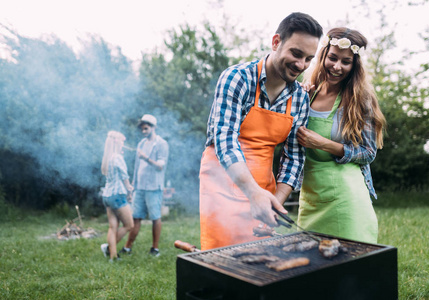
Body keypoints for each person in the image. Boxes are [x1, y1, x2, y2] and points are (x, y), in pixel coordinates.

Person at [199, 12, 323, 250]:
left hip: (265, 186)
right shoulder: (238, 78)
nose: (301, 65)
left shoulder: (299, 98)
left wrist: (275, 202)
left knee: (260, 259)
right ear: (276, 42)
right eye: (296, 54)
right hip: (221, 183)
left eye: (309, 58)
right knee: (221, 257)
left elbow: (294, 158)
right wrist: (252, 193)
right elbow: (224, 141)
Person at [296, 27, 386, 244]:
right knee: (311, 266)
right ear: (323, 55)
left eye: (346, 62)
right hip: (311, 196)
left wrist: (325, 144)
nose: (337, 66)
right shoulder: (307, 92)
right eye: (333, 58)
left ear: (354, 66)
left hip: (347, 199)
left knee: (351, 269)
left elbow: (368, 153)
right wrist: (297, 100)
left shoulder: (359, 99)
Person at [121, 114, 169, 257]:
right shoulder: (141, 144)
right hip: (140, 187)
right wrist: (132, 186)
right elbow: (137, 167)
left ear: (154, 127)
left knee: (155, 217)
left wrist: (146, 158)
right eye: (142, 129)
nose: (144, 131)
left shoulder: (162, 144)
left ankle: (155, 248)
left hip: (154, 187)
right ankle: (127, 247)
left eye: (146, 128)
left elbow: (160, 166)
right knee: (136, 217)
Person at [100, 131, 134, 263]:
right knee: (129, 225)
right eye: (122, 141)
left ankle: (113, 257)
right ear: (116, 142)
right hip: (117, 196)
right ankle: (109, 248)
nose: (123, 144)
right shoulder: (117, 157)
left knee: (112, 227)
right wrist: (130, 190)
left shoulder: (107, 157)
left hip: (107, 196)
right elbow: (125, 177)